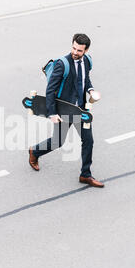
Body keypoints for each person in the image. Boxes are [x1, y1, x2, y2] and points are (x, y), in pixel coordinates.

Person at [28, 33, 104, 188]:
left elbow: (85, 78)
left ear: (86, 50)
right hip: (64, 109)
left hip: (80, 110)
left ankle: (85, 175)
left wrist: (91, 89)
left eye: (79, 50)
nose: (75, 52)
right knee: (57, 141)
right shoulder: (63, 64)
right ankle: (35, 152)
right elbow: (50, 91)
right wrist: (52, 113)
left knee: (88, 140)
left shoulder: (87, 61)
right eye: (74, 48)